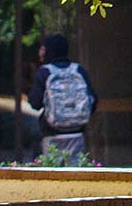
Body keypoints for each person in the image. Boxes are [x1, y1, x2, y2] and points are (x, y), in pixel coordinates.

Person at [28, 33, 96, 161]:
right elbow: (93, 100)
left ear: (49, 50)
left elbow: (35, 103)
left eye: (42, 49)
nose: (40, 53)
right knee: (76, 173)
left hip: (51, 134)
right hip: (77, 133)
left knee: (52, 173)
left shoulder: (45, 72)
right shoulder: (79, 70)